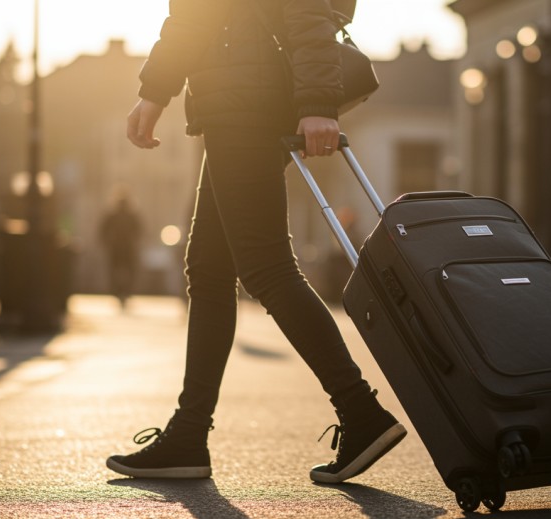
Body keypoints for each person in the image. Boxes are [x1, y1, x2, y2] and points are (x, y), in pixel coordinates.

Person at [106, 0, 406, 483]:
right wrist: (157, 88)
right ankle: (188, 434)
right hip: (239, 91)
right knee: (209, 268)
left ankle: (361, 412)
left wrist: (316, 104)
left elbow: (305, 10)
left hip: (246, 95)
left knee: (266, 266)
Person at [99, 188, 142, 308]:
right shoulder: (118, 215)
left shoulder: (125, 215)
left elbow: (138, 231)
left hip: (122, 247)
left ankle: (122, 291)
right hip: (120, 247)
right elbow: (103, 231)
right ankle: (121, 291)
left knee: (122, 270)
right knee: (121, 270)